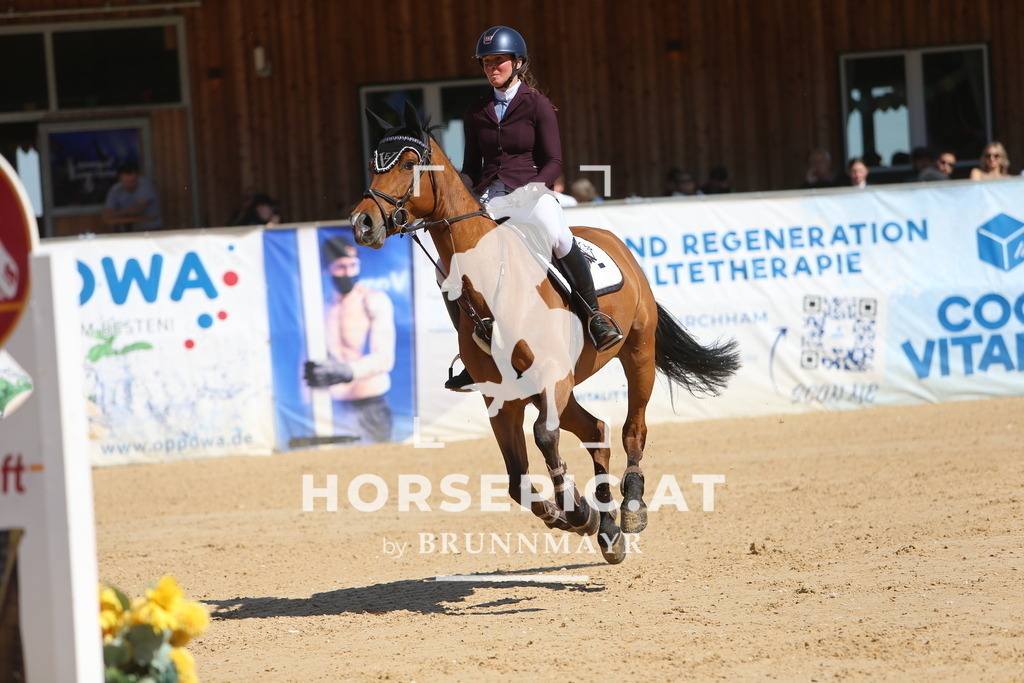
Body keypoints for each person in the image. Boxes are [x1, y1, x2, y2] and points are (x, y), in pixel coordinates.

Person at [448, 25, 623, 391]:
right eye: (486, 62)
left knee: (559, 237)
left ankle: (594, 317)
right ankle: (472, 350)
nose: (492, 67)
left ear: (518, 63)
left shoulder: (537, 104)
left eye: (498, 61)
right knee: (448, 264)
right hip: (491, 197)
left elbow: (554, 161)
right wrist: (457, 191)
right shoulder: (476, 110)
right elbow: (471, 167)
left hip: (531, 191)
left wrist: (532, 190)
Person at [303, 235, 396, 443]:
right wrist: (307, 400)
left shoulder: (372, 300)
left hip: (371, 405)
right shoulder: (321, 306)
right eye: (341, 267)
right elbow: (308, 355)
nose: (349, 272)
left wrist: (348, 371)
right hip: (333, 407)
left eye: (353, 265)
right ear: (327, 269)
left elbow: (385, 358)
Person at [102, 160, 162, 231]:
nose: (129, 184)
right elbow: (107, 214)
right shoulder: (116, 189)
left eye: (132, 181)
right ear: (120, 178)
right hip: (128, 231)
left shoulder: (145, 185)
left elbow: (139, 210)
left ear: (138, 177)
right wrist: (127, 211)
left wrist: (117, 213)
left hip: (150, 229)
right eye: (126, 181)